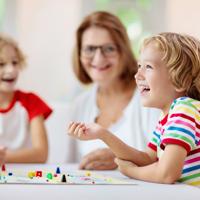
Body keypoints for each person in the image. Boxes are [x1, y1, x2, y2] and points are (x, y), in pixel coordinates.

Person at [68, 32, 200, 186]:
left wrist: (129, 171)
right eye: (139, 66)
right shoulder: (168, 116)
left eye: (148, 67)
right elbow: (148, 159)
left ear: (180, 81)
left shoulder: (184, 110)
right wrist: (102, 134)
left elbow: (166, 174)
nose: (138, 75)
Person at [70, 11, 160, 170]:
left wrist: (121, 158)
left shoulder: (151, 98)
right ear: (79, 54)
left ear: (123, 51)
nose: (98, 59)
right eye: (89, 49)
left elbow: (168, 162)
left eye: (109, 48)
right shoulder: (80, 105)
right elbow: (71, 167)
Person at [0, 34, 52, 163]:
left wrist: (4, 158)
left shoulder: (31, 102)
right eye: (1, 64)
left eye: (15, 62)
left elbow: (41, 154)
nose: (11, 70)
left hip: (25, 178)